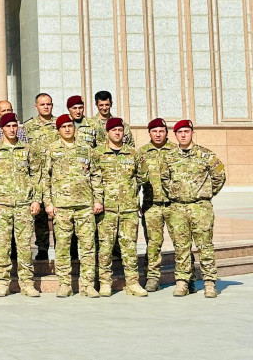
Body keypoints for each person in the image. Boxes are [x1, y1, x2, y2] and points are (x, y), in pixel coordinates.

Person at [162, 119, 227, 298]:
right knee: (181, 248)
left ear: (192, 133)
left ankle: (209, 283)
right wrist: (176, 194)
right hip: (178, 208)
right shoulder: (169, 157)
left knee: (205, 246)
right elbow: (164, 180)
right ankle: (182, 282)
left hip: (200, 207)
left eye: (186, 131)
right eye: (180, 132)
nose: (183, 135)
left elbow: (219, 175)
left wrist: (206, 193)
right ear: (175, 135)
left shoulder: (206, 155)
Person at [0, 113, 41, 297]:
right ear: (2, 129)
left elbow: (36, 176)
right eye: (8, 126)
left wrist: (36, 199)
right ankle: (2, 283)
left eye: (15, 126)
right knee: (2, 246)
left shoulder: (29, 150)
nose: (12, 129)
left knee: (24, 246)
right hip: (2, 205)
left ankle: (27, 284)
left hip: (23, 204)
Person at [42, 114, 100, 298]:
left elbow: (95, 175)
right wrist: (48, 203)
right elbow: (45, 178)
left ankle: (88, 285)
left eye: (70, 126)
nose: (67, 129)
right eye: (63, 126)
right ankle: (65, 284)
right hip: (62, 206)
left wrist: (98, 199)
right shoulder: (51, 149)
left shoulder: (86, 148)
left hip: (84, 205)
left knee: (88, 247)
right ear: (58, 130)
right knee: (63, 247)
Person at [91, 117, 148, 297]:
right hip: (106, 209)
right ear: (107, 132)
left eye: (120, 130)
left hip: (128, 209)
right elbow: (93, 179)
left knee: (129, 247)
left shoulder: (133, 154)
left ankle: (133, 283)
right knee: (105, 247)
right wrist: (97, 200)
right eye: (114, 130)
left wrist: (132, 192)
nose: (117, 132)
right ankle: (105, 283)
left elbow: (143, 176)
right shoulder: (97, 153)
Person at [138, 118, 173, 292]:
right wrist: (136, 201)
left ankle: (186, 277)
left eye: (161, 131)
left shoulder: (176, 151)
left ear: (166, 132)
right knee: (153, 243)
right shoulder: (142, 153)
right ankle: (152, 278)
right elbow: (134, 179)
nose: (158, 134)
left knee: (182, 242)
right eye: (154, 131)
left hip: (175, 205)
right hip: (151, 206)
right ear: (149, 133)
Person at [23, 93, 58, 260]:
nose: (46, 107)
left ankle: (62, 248)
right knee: (39, 214)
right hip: (36, 175)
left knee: (59, 214)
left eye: (49, 104)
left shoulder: (60, 124)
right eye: (42, 104)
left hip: (57, 175)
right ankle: (42, 248)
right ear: (35, 106)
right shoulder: (29, 126)